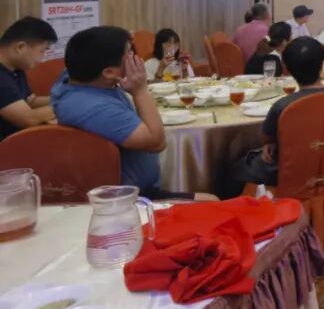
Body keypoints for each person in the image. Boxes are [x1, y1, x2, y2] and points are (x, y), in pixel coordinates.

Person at [51, 27, 208, 200]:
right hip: (130, 198)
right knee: (211, 201)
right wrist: (140, 91)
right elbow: (157, 142)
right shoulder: (93, 107)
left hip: (135, 187)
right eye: (130, 54)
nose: (137, 59)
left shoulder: (78, 78)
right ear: (109, 72)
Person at [232, 38, 324, 187]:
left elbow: (265, 138)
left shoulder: (283, 106)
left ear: (287, 68)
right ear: (322, 64)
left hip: (289, 172)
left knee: (236, 168)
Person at [0, 17, 58, 141]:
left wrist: (63, 97)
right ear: (20, 47)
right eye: (41, 51)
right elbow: (27, 118)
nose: (41, 59)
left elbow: (30, 100)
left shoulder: (16, 68)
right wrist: (70, 105)